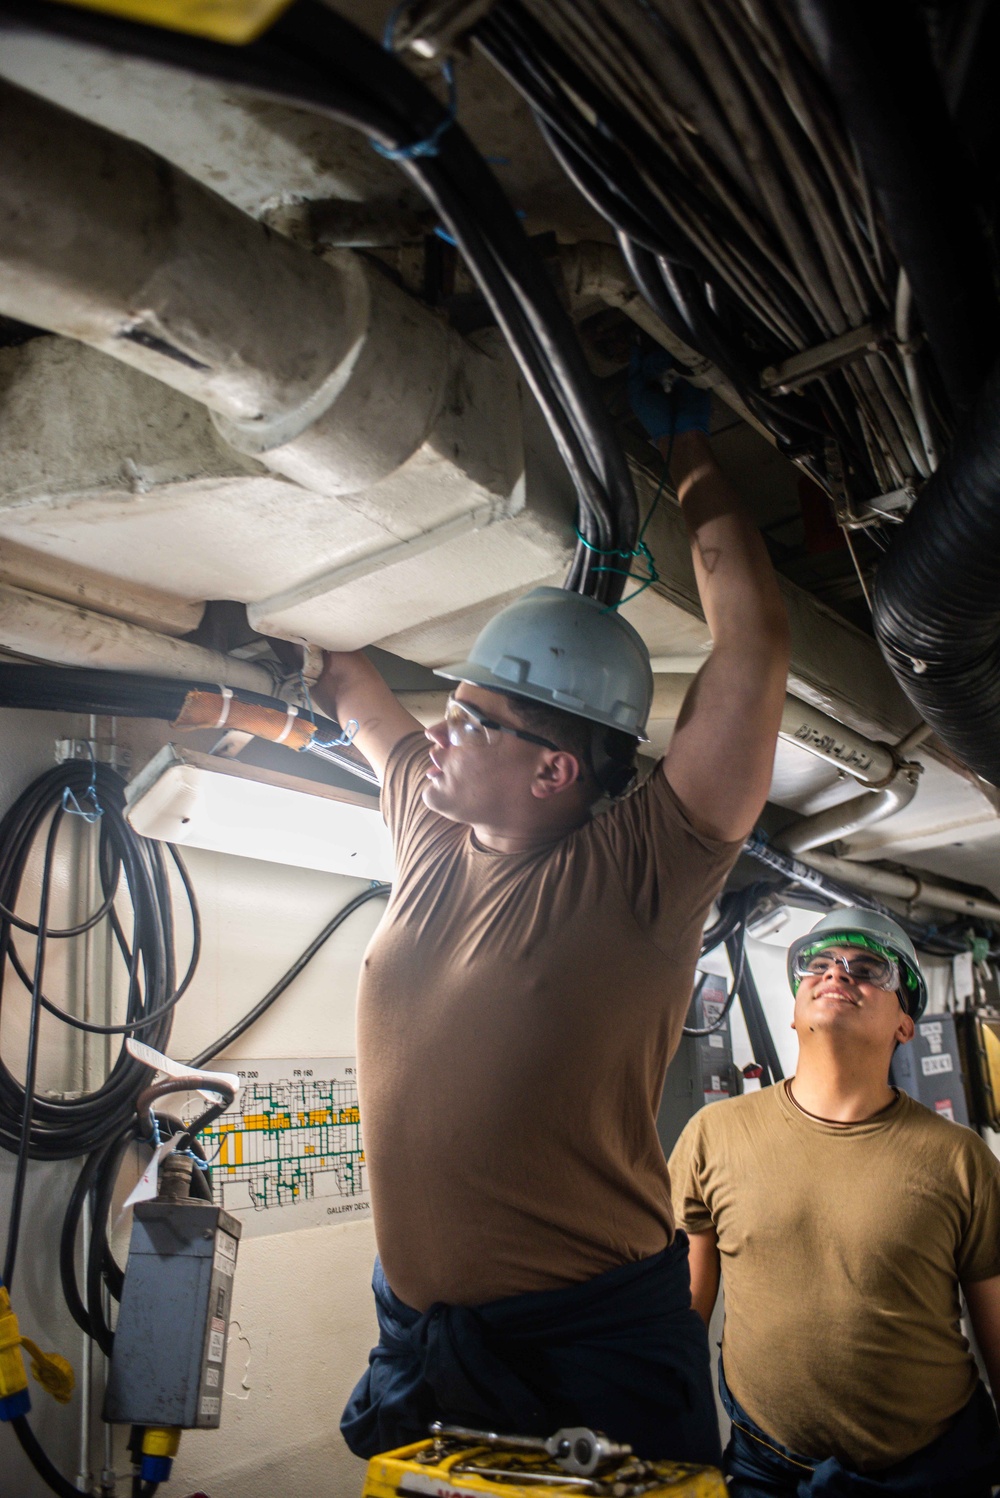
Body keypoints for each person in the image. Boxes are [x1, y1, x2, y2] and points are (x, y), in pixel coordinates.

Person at [314, 356, 790, 1463]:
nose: (441, 726)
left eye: (473, 716)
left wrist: (692, 455)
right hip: (425, 1338)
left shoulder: (640, 871)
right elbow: (356, 694)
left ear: (555, 771)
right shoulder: (428, 835)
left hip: (586, 1346)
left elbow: (754, 650)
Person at [669, 907, 1000, 1497]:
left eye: (868, 968)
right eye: (818, 965)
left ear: (905, 1023)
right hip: (765, 1468)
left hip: (934, 1470)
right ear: (795, 1013)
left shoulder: (961, 1158)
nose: (838, 974)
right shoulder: (712, 1134)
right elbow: (685, 1310)